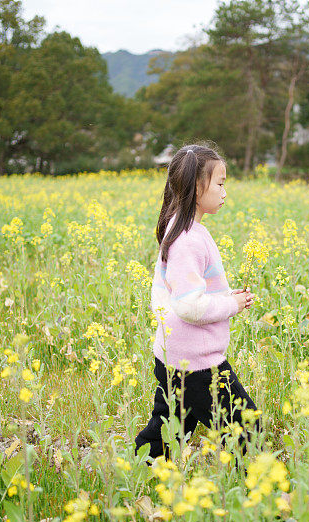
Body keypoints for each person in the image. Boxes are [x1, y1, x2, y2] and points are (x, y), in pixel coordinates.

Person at [134, 143, 261, 463]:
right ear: (196, 187)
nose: (224, 192)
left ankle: (141, 469)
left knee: (171, 424)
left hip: (172, 355)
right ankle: (257, 490)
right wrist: (231, 304)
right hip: (197, 363)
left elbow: (167, 295)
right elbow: (189, 305)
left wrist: (225, 299)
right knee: (247, 424)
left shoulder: (179, 227)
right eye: (220, 183)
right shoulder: (188, 239)